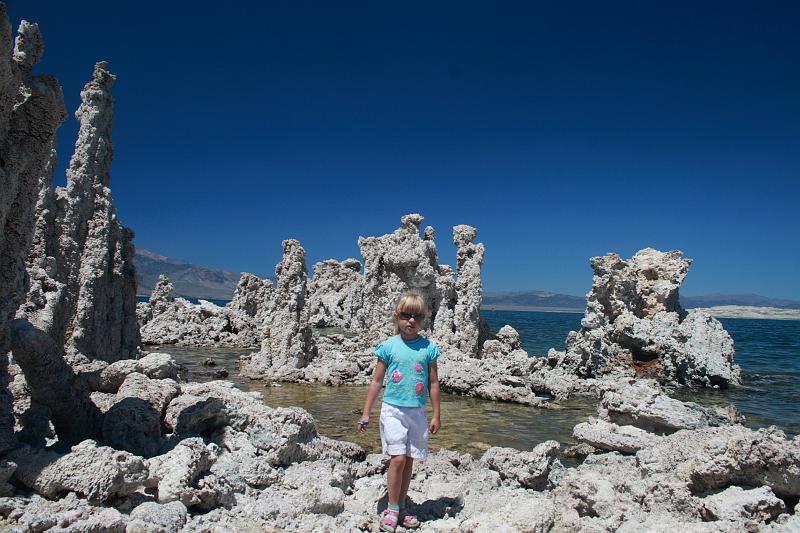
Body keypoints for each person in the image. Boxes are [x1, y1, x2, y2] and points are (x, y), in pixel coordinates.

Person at [357, 291, 441, 532]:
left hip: (417, 413)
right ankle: (392, 508)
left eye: (417, 316)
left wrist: (436, 414)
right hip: (392, 410)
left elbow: (433, 384)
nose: (411, 321)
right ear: (397, 317)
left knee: (410, 459)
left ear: (424, 319)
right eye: (406, 315)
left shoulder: (428, 349)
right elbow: (376, 382)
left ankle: (402, 506)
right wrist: (366, 413)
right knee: (398, 459)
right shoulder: (388, 346)